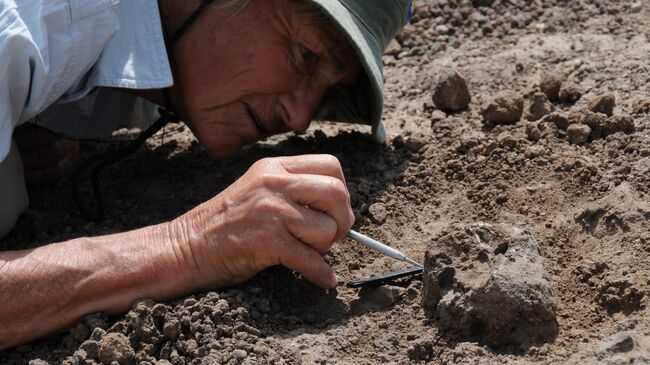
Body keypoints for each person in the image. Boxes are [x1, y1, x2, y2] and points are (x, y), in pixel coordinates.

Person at [0, 0, 412, 349]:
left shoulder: (165, 51)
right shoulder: (37, 22)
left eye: (329, 94)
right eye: (304, 54)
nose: (300, 117)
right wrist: (189, 245)